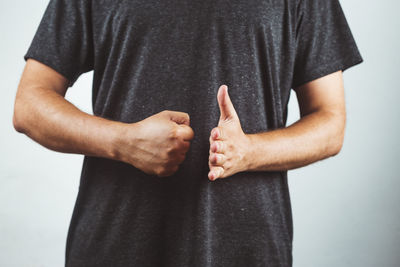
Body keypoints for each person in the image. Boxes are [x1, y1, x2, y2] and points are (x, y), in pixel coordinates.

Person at [13, 0, 363, 266]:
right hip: (114, 245)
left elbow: (330, 123)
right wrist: (124, 142)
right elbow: (30, 104)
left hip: (247, 250)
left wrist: (249, 152)